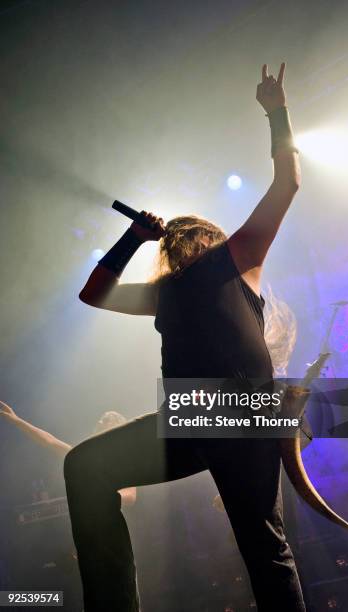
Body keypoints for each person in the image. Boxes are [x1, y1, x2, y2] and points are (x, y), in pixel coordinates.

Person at [64, 62, 306, 611]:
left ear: (208, 235)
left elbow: (287, 181)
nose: (183, 239)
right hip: (192, 414)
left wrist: (277, 112)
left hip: (243, 409)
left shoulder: (235, 258)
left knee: (265, 548)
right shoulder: (165, 292)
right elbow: (93, 294)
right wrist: (131, 236)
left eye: (191, 231)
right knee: (83, 467)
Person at [0, 400, 137, 507]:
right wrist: (17, 420)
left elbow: (130, 496)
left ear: (115, 431)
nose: (100, 422)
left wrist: (102, 496)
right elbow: (50, 441)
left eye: (107, 420)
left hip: (109, 526)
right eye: (101, 420)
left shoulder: (121, 462)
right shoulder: (85, 456)